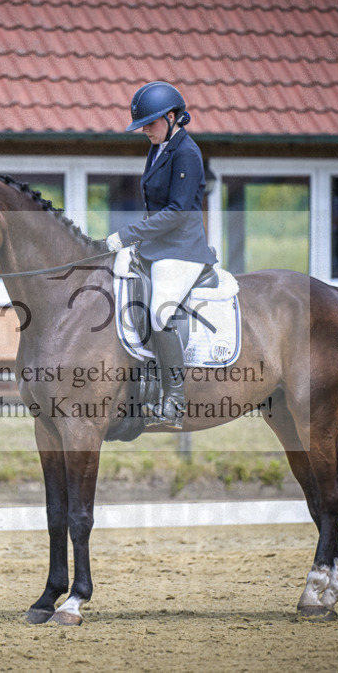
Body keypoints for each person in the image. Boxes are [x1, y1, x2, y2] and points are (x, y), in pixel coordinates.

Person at [105, 81, 217, 429]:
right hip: (158, 246)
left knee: (160, 313)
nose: (145, 130)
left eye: (151, 122)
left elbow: (178, 213)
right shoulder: (158, 147)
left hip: (182, 250)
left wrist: (127, 235)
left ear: (172, 117)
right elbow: (155, 208)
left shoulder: (187, 153)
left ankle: (174, 401)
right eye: (143, 124)